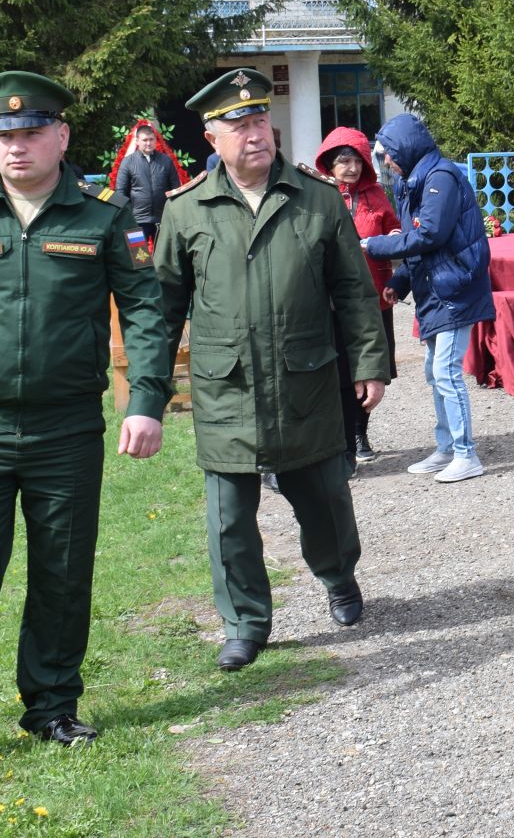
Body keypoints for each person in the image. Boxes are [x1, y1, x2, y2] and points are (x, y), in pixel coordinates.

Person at [0, 70, 171, 792]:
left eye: (30, 133)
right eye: (2, 135)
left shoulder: (103, 219)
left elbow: (143, 311)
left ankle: (50, 705)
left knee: (62, 569)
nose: (16, 147)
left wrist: (145, 399)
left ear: (61, 136)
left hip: (67, 428)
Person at [153, 70, 387, 672]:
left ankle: (339, 579)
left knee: (325, 502)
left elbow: (354, 291)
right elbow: (162, 309)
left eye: (260, 120)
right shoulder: (186, 211)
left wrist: (369, 364)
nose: (254, 134)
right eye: (239, 125)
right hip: (225, 388)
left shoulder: (318, 198)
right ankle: (245, 622)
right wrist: (147, 398)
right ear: (212, 137)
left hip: (304, 380)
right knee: (230, 520)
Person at [364, 114, 496, 483]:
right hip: (436, 287)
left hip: (455, 287)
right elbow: (418, 240)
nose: (387, 162)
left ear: (404, 147)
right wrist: (402, 280)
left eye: (388, 153)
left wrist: (374, 246)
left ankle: (466, 454)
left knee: (446, 371)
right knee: (432, 371)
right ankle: (447, 449)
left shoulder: (440, 177)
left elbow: (431, 235)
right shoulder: (415, 179)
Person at [317, 126, 403, 465]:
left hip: (375, 297)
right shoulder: (321, 195)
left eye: (355, 161)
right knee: (340, 371)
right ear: (330, 164)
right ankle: (340, 439)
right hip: (334, 302)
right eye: (343, 161)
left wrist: (393, 239)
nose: (350, 168)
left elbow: (393, 228)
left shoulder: (377, 195)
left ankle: (360, 433)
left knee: (371, 370)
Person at [111, 123, 174, 248]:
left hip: (162, 220)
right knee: (138, 259)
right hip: (136, 221)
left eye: (151, 139)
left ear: (156, 140)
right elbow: (120, 191)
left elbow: (175, 188)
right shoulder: (128, 162)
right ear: (137, 141)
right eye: (145, 140)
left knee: (164, 261)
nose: (148, 143)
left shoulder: (166, 161)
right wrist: (127, 216)